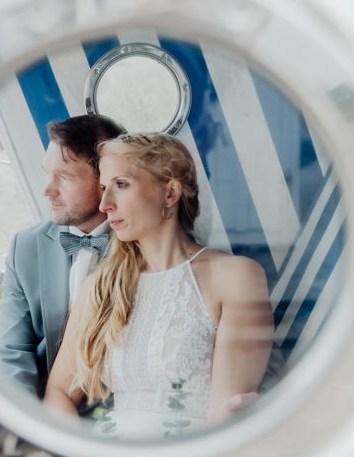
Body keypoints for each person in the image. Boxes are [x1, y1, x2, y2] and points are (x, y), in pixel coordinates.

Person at [43, 132, 274, 439]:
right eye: (103, 188)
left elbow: (227, 411)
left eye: (121, 185)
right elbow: (58, 392)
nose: (105, 203)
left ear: (170, 193)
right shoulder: (101, 285)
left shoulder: (235, 276)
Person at [0, 114, 126, 410]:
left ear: (106, 181)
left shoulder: (147, 246)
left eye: (63, 176)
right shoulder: (25, 247)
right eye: (47, 173)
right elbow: (12, 351)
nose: (47, 190)